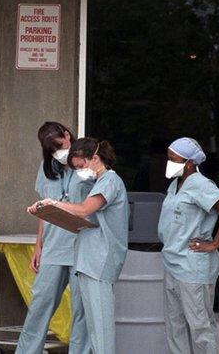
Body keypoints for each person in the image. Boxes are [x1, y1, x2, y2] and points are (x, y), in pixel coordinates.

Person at [28, 137, 128, 354]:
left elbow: (84, 210)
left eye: (81, 166)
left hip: (99, 262)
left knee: (101, 330)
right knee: (92, 327)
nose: (79, 172)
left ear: (95, 158)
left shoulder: (109, 181)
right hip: (88, 260)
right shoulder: (98, 182)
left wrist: (53, 203)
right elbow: (86, 219)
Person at [16, 122, 93, 354]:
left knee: (81, 312)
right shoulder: (47, 166)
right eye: (51, 150)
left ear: (67, 135)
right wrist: (38, 246)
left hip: (83, 246)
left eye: (59, 146)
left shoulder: (88, 163)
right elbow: (44, 210)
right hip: (54, 247)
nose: (57, 153)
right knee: (39, 306)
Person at [157, 137, 219, 354]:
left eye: (174, 159)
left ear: (190, 163)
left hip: (192, 264)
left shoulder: (200, 185)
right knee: (175, 325)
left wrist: (215, 243)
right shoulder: (175, 184)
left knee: (200, 325)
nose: (169, 162)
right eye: (169, 158)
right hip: (173, 260)